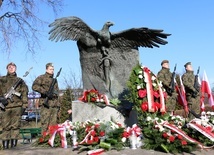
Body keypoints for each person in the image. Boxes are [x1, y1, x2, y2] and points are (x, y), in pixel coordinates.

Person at [0, 62, 29, 149]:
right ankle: (5, 145)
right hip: (5, 107)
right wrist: (1, 98)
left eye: (13, 67)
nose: (11, 68)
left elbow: (24, 93)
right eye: (9, 67)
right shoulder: (2, 79)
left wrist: (25, 105)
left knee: (16, 126)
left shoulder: (20, 80)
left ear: (15, 69)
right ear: (7, 69)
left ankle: (14, 145)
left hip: (17, 106)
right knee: (5, 126)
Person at [32, 63, 60, 133]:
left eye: (53, 69)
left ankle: (52, 140)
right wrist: (45, 92)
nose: (52, 71)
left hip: (54, 105)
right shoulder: (41, 78)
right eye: (50, 69)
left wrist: (58, 104)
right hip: (45, 104)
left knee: (53, 124)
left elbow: (57, 92)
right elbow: (34, 86)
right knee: (45, 123)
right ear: (46, 69)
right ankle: (44, 140)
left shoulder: (55, 80)